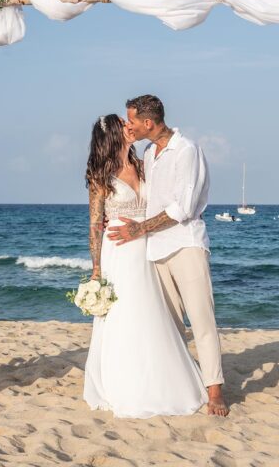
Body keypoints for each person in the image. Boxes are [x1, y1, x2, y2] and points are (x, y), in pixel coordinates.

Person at [108, 95, 229, 416]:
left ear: (148, 122)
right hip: (156, 249)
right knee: (171, 324)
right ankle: (185, 384)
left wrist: (139, 229)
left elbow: (183, 207)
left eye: (131, 120)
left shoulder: (187, 150)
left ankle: (215, 391)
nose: (128, 125)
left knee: (202, 319)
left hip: (186, 244)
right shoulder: (149, 153)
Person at [83, 113, 208, 418]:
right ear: (113, 134)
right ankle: (126, 382)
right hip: (119, 251)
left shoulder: (143, 165)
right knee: (126, 313)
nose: (130, 127)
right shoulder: (101, 176)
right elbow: (94, 225)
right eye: (123, 125)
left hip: (148, 246)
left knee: (153, 311)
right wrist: (97, 268)